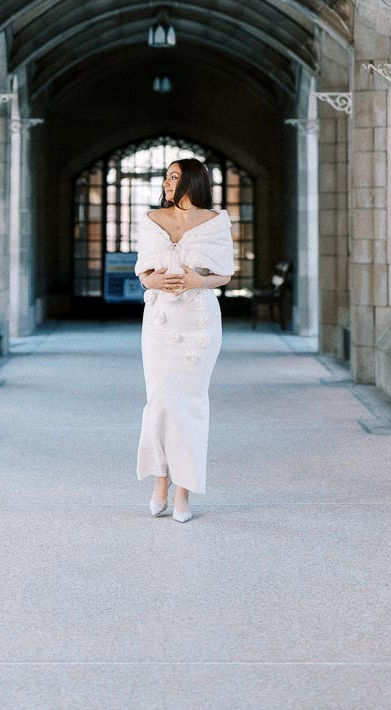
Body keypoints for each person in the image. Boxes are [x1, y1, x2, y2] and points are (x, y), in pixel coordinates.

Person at [134, 157, 236, 522]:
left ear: (192, 181)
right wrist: (152, 282)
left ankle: (184, 493)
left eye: (173, 177)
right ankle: (160, 480)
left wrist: (198, 281)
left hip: (198, 322)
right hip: (161, 320)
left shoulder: (215, 222)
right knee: (159, 401)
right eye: (165, 177)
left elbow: (224, 274)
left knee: (191, 405)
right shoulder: (151, 220)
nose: (166, 183)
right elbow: (143, 271)